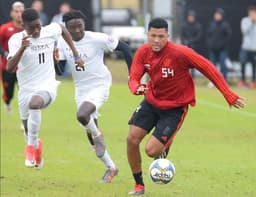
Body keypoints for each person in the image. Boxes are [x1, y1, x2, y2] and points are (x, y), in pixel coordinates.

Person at [126, 18, 245, 195]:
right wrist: (136, 87)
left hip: (175, 108)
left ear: (168, 35)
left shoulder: (180, 53)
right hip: (151, 102)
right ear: (147, 35)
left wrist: (228, 94)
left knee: (151, 151)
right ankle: (139, 185)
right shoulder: (143, 52)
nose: (156, 40)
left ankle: (165, 144)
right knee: (131, 140)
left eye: (161, 36)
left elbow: (208, 68)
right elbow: (134, 77)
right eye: (153, 36)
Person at [54, 10, 133, 183]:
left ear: (84, 25)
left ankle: (98, 136)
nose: (76, 31)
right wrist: (55, 61)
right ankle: (111, 167)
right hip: (80, 89)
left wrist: (132, 76)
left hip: (100, 84)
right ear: (66, 29)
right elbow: (59, 71)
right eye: (72, 28)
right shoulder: (61, 42)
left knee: (82, 115)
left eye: (79, 27)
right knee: (89, 131)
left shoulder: (97, 38)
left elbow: (125, 48)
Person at [7, 8, 83, 169]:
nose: (36, 30)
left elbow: (62, 29)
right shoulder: (16, 39)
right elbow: (9, 67)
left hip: (47, 86)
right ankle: (36, 150)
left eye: (37, 26)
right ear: (24, 26)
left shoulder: (49, 30)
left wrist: (75, 54)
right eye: (31, 28)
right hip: (25, 90)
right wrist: (22, 48)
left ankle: (29, 148)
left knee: (34, 104)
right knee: (27, 127)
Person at [0, 1, 24, 113]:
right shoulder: (5, 28)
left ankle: (24, 119)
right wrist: (4, 53)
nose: (19, 14)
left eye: (21, 11)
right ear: (12, 13)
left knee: (24, 94)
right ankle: (7, 102)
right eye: (16, 11)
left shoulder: (28, 29)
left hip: (24, 69)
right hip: (7, 67)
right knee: (8, 93)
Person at [206, 8, 232, 81]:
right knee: (212, 66)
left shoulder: (225, 25)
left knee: (223, 65)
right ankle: (213, 81)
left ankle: (224, 80)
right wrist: (210, 45)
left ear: (222, 16)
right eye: (216, 14)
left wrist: (222, 45)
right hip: (213, 49)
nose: (217, 16)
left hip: (222, 49)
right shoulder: (211, 25)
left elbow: (228, 37)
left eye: (219, 15)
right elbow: (208, 36)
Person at [237, 5, 256, 88]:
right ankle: (243, 81)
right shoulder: (245, 20)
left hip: (254, 48)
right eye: (251, 13)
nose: (252, 14)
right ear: (249, 13)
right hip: (245, 47)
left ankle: (253, 81)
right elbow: (244, 31)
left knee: (254, 65)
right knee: (243, 64)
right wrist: (252, 22)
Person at [181, 10, 202, 77]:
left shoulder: (197, 26)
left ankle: (193, 77)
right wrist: (184, 42)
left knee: (193, 63)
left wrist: (190, 41)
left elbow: (198, 37)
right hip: (185, 47)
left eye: (192, 17)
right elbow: (182, 36)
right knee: (184, 62)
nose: (191, 18)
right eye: (190, 17)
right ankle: (184, 76)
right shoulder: (184, 25)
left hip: (194, 46)